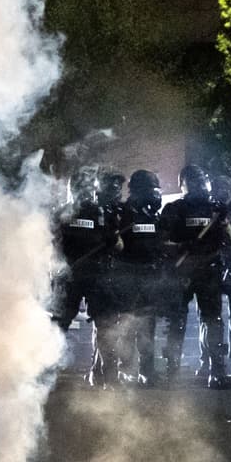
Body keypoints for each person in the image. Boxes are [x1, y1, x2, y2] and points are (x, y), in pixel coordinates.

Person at [158, 164, 231, 389]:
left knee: (213, 321)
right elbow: (161, 243)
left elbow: (230, 242)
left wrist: (223, 220)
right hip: (182, 272)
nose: (200, 184)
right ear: (183, 183)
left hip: (209, 271)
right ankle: (172, 372)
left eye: (202, 179)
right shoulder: (174, 209)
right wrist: (183, 246)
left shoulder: (215, 210)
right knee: (177, 322)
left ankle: (217, 371)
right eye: (194, 180)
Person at [47, 166, 122, 385]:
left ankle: (107, 374)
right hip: (69, 276)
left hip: (96, 276)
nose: (87, 191)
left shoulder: (102, 213)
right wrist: (59, 267)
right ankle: (46, 373)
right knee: (59, 324)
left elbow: (118, 245)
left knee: (105, 324)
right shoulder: (61, 213)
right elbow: (49, 245)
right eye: (84, 187)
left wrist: (111, 242)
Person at [111, 169, 164, 385]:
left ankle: (147, 371)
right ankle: (126, 370)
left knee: (147, 326)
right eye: (151, 189)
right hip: (127, 276)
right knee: (127, 325)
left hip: (148, 277)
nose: (155, 195)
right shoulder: (122, 213)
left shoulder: (151, 215)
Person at [88, 171, 129, 388]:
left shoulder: (118, 211)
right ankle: (109, 375)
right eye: (111, 187)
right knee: (104, 325)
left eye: (118, 188)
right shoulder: (92, 211)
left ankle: (98, 372)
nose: (116, 192)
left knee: (109, 325)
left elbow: (123, 245)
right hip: (97, 275)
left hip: (115, 273)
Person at [203, 174, 231, 377]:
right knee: (210, 318)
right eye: (219, 188)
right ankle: (208, 360)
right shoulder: (206, 209)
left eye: (226, 188)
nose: (223, 192)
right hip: (211, 267)